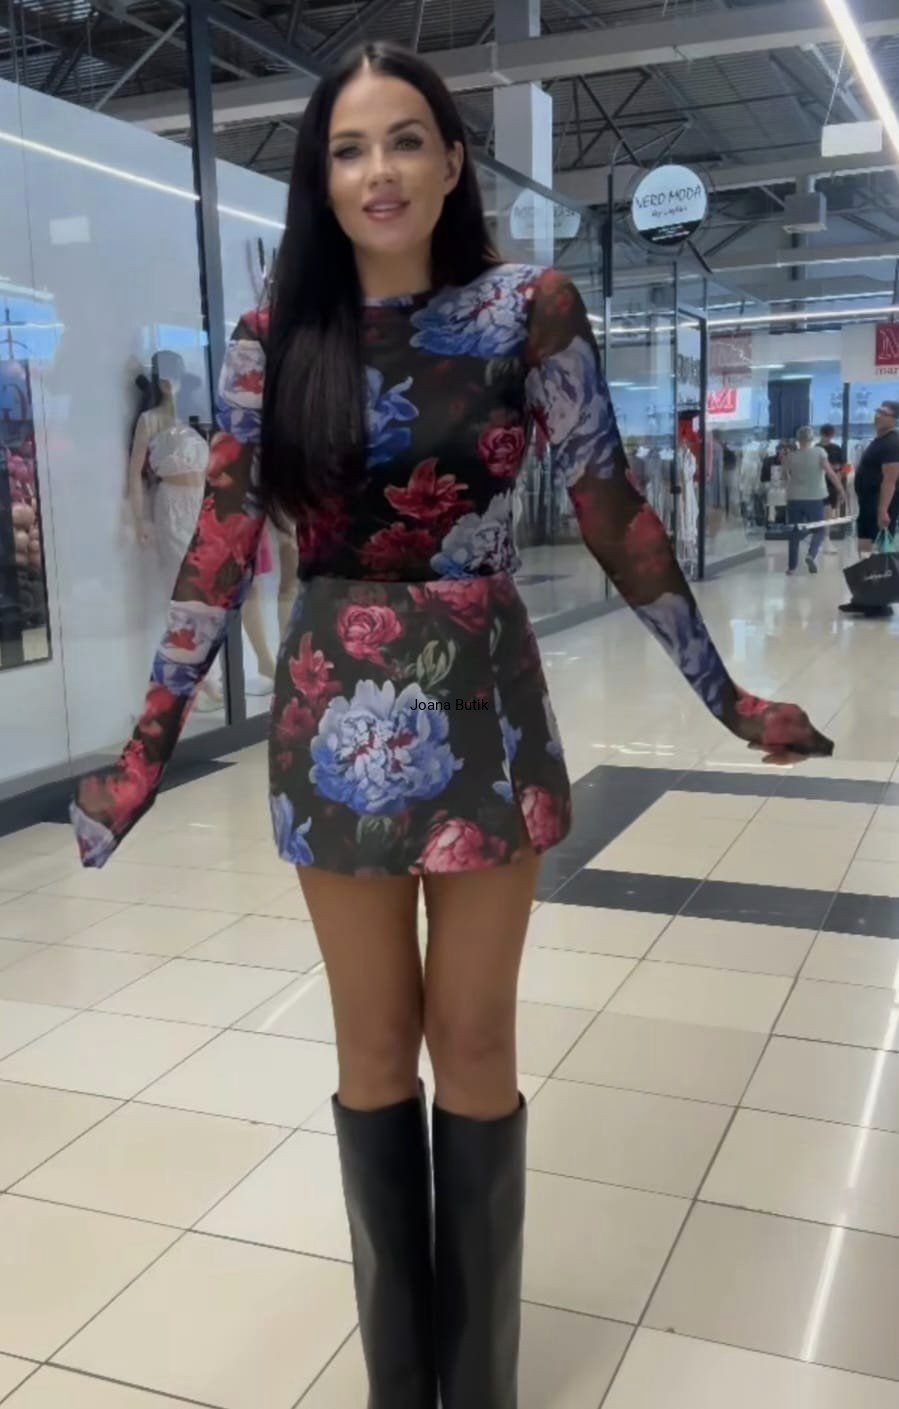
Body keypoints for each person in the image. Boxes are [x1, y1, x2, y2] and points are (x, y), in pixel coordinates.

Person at [68, 42, 833, 1409]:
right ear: (319, 178)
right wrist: (144, 749)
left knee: (473, 1040)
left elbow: (609, 505)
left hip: (486, 706)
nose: (380, 170)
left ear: (451, 160)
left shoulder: (527, 309)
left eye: (406, 138)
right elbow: (223, 540)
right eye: (349, 147)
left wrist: (725, 694)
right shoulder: (272, 337)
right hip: (330, 711)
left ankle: (476, 1386)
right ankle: (397, 1384)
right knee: (372, 1046)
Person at [840, 399, 899, 618]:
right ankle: (865, 597)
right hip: (867, 506)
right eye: (877, 411)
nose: (877, 416)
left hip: (879, 505)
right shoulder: (878, 441)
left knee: (879, 555)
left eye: (883, 413)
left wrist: (883, 509)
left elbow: (890, 479)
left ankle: (878, 602)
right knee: (865, 549)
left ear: (894, 419)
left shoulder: (893, 443)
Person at [784, 425, 845, 576]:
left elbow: (785, 476)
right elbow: (830, 473)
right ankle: (811, 555)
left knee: (794, 532)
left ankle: (791, 568)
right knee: (819, 530)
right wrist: (841, 489)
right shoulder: (819, 452)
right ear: (811, 439)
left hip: (794, 498)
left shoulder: (790, 456)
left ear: (798, 439)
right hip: (815, 497)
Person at [818, 422, 845, 552]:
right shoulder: (835, 448)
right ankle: (825, 538)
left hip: (822, 483)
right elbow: (841, 469)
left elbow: (841, 468)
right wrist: (840, 485)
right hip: (828, 483)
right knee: (827, 510)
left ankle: (824, 538)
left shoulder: (816, 448)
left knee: (825, 511)